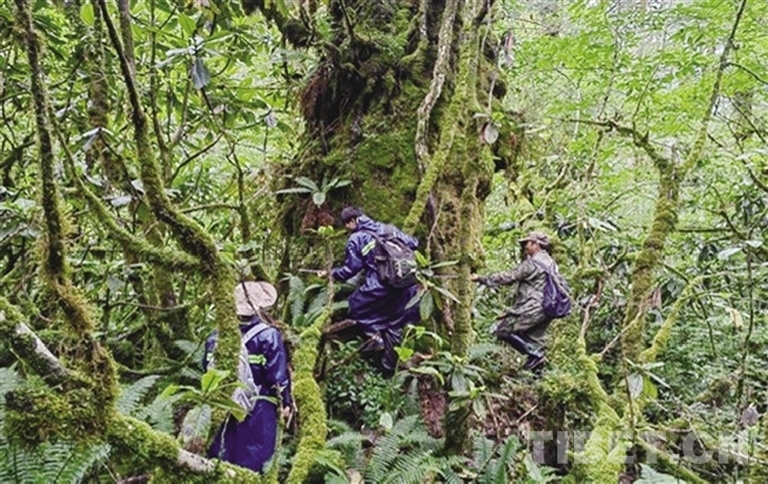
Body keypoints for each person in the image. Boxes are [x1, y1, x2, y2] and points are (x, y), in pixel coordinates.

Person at [317, 206, 420, 378]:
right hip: (406, 287)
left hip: (380, 286)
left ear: (353, 221)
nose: (347, 230)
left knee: (355, 307)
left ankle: (375, 337)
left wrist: (330, 273)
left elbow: (351, 269)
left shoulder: (357, 238)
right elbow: (414, 243)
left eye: (346, 225)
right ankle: (388, 373)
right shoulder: (388, 229)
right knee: (394, 325)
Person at [205, 281, 293, 473]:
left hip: (222, 405)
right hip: (259, 407)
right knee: (256, 463)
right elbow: (277, 377)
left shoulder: (214, 338)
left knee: (222, 461)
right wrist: (285, 403)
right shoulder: (269, 336)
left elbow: (207, 372)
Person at [471, 231, 557, 372]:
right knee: (534, 340)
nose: (524, 247)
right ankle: (538, 377)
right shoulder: (551, 263)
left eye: (527, 243)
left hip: (533, 306)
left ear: (536, 244)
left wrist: (481, 278)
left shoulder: (533, 263)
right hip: (548, 308)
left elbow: (509, 277)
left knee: (503, 330)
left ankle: (536, 355)